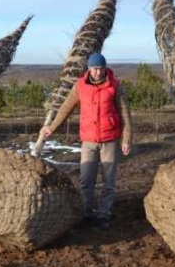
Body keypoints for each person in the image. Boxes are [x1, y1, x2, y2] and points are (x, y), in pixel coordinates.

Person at [40, 52, 132, 230]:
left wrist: (126, 138)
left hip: (110, 139)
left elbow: (125, 115)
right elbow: (66, 108)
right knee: (86, 180)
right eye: (94, 68)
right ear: (88, 69)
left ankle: (103, 214)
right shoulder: (80, 86)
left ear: (105, 68)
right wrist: (52, 127)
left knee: (109, 181)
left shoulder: (115, 85)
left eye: (100, 68)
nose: (98, 72)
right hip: (88, 140)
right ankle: (87, 212)